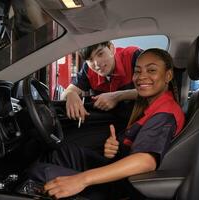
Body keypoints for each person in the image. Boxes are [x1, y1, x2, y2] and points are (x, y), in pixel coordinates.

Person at [29, 48, 185, 199]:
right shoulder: (152, 104)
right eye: (137, 71)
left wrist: (82, 179)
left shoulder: (165, 113)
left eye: (151, 70)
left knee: (38, 172)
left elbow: (146, 161)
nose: (141, 77)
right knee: (60, 152)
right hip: (118, 169)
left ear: (168, 75)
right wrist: (116, 148)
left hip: (123, 187)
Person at [61, 41, 142, 122]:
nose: (97, 64)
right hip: (111, 123)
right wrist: (70, 94)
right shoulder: (87, 69)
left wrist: (117, 96)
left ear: (111, 48)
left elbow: (154, 89)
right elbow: (65, 93)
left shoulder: (134, 56)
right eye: (90, 59)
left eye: (100, 54)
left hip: (143, 120)